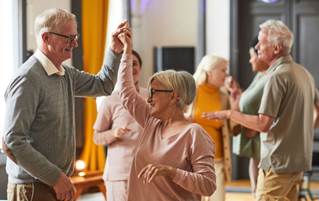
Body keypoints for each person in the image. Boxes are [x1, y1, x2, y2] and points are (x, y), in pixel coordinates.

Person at [2, 8, 126, 201]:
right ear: (46, 38)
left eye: (75, 37)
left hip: (53, 183)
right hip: (33, 188)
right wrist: (56, 177)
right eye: (68, 38)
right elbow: (13, 141)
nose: (75, 43)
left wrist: (114, 50)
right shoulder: (27, 79)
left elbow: (103, 85)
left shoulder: (65, 74)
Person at [203, 19, 319, 201]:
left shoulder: (277, 76)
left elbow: (263, 124)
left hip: (277, 163)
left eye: (261, 42)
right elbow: (316, 113)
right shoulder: (304, 73)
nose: (257, 47)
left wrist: (229, 114)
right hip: (298, 162)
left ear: (276, 48)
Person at [116, 23, 216, 201]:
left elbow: (208, 185)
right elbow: (126, 92)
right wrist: (126, 51)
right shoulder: (151, 121)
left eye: (154, 92)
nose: (148, 97)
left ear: (174, 96)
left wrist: (171, 172)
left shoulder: (194, 133)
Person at [93, 50, 147, 201]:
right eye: (127, 64)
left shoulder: (150, 96)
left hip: (148, 172)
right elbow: (96, 137)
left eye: (134, 64)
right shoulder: (110, 100)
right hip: (120, 174)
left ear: (140, 68)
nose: (131, 68)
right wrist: (114, 133)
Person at [187, 55, 237, 201]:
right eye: (223, 70)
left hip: (217, 160)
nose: (226, 75)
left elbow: (234, 129)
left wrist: (235, 103)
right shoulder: (191, 91)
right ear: (209, 72)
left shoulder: (224, 96)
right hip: (192, 160)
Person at [228, 36, 269, 196]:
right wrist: (239, 93)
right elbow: (252, 96)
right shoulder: (260, 75)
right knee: (255, 163)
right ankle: (254, 194)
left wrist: (258, 129)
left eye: (252, 55)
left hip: (260, 131)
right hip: (253, 130)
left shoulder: (271, 78)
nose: (250, 60)